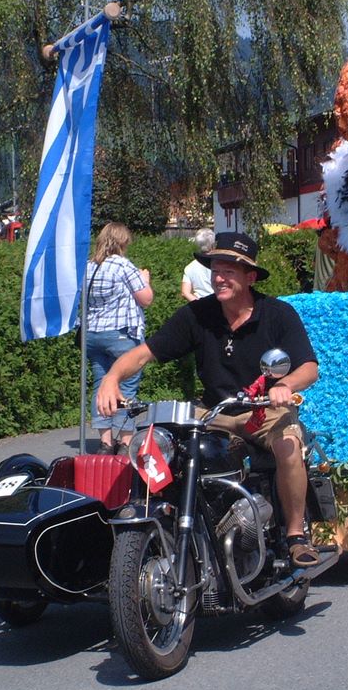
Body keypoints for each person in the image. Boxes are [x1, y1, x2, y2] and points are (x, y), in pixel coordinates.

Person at [96, 232, 323, 567]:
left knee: (289, 446)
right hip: (214, 410)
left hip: (264, 409)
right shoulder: (198, 315)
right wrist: (111, 378)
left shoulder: (277, 314)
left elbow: (309, 367)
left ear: (250, 277)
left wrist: (285, 385)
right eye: (215, 270)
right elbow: (144, 353)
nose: (219, 278)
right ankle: (162, 526)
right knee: (161, 448)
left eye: (229, 271)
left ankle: (295, 536)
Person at [85, 222, 153, 455]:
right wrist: (145, 280)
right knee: (126, 386)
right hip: (121, 335)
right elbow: (146, 299)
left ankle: (105, 442)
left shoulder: (89, 266)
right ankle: (125, 441)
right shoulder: (123, 265)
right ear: (123, 241)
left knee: (101, 385)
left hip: (93, 334)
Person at [180, 229, 215, 301]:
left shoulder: (190, 267)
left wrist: (199, 303)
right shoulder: (219, 264)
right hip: (219, 302)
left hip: (199, 304)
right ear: (213, 244)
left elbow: (185, 292)